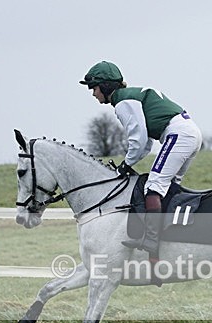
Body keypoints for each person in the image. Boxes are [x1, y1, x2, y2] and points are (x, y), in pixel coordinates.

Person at [80, 61, 202, 269]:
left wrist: (125, 166)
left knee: (153, 186)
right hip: (188, 133)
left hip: (178, 135)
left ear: (106, 86)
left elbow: (138, 140)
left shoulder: (123, 102)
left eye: (94, 88)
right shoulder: (131, 96)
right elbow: (145, 143)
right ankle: (172, 237)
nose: (93, 94)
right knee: (168, 188)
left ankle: (152, 244)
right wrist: (129, 162)